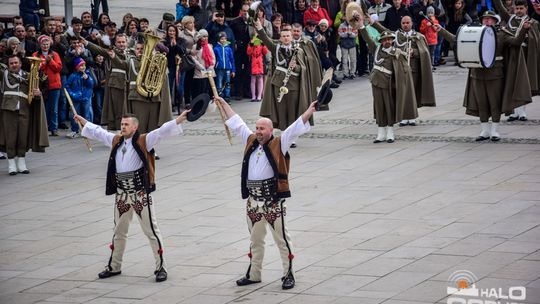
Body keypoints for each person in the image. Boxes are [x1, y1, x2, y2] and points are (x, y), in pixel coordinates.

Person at [73, 107, 190, 283]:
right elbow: (99, 132)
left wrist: (179, 120)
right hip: (121, 194)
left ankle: (161, 267)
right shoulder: (116, 140)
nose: (123, 127)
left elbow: (162, 131)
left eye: (126, 124)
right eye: (122, 124)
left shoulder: (144, 140)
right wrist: (83, 122)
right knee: (118, 232)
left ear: (135, 127)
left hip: (139, 193)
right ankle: (114, 266)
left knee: (151, 230)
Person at [216, 96, 318, 290]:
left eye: (262, 129)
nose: (258, 131)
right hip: (253, 202)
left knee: (282, 240)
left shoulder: (280, 143)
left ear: (271, 130)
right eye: (257, 128)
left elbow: (296, 127)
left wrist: (309, 111)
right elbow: (237, 122)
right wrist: (223, 104)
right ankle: (254, 274)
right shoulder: (251, 140)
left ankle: (289, 274)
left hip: (272, 202)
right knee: (255, 240)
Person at [435, 11, 532, 141]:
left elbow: (515, 42)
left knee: (494, 102)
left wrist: (524, 30)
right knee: (481, 103)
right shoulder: (475, 33)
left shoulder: (501, 34)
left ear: (495, 21)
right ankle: (485, 130)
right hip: (477, 73)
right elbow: (457, 39)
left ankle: (495, 130)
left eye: (490, 19)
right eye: (484, 19)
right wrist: (441, 30)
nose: (486, 21)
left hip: (495, 74)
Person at [356, 13, 418, 143]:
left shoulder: (397, 53)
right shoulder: (376, 49)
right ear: (381, 41)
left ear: (392, 41)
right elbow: (367, 38)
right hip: (377, 82)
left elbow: (404, 69)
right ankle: (381, 131)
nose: (387, 41)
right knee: (379, 107)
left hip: (389, 84)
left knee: (389, 107)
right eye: (384, 40)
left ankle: (390, 131)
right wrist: (361, 25)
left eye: (389, 39)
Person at [255, 20, 322, 139]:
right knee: (280, 111)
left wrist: (295, 66)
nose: (286, 38)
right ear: (280, 38)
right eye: (283, 36)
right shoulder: (276, 48)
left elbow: (303, 68)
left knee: (292, 111)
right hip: (278, 84)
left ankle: (292, 136)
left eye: (288, 36)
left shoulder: (299, 51)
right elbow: (265, 39)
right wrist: (259, 27)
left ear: (291, 37)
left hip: (293, 85)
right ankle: (284, 133)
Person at [371, 15, 436, 126]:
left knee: (412, 93)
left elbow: (425, 53)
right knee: (400, 93)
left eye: (407, 23)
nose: (405, 25)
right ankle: (402, 116)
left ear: (411, 23)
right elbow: (384, 31)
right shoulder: (396, 35)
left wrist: (414, 52)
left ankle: (411, 116)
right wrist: (373, 23)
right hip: (399, 70)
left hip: (413, 70)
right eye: (403, 23)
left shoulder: (418, 36)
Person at [0, 55, 49, 175]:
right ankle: (11, 164)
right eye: (11, 63)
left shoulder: (29, 76)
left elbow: (37, 93)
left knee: (23, 137)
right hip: (8, 111)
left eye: (16, 63)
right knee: (10, 138)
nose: (14, 65)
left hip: (24, 110)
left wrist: (38, 93)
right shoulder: (4, 75)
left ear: (20, 64)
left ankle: (22, 163)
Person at [493, 0, 540, 121]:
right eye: (517, 8)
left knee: (522, 84)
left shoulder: (532, 22)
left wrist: (527, 37)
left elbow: (535, 39)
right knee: (511, 82)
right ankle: (514, 111)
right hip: (511, 55)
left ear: (526, 9)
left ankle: (522, 111)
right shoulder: (510, 19)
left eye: (521, 8)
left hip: (525, 55)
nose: (519, 11)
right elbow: (501, 8)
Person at [83, 34, 130, 130]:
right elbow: (98, 49)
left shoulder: (131, 53)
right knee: (118, 109)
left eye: (123, 42)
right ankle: (119, 130)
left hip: (129, 85)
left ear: (127, 43)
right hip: (116, 85)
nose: (121, 44)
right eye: (119, 42)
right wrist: (87, 43)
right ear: (115, 43)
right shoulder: (111, 52)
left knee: (128, 110)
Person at [124, 42, 173, 134]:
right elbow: (120, 64)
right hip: (138, 98)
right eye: (138, 49)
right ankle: (138, 147)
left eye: (142, 49)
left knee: (152, 131)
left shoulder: (156, 61)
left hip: (154, 98)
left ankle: (149, 148)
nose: (140, 51)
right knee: (139, 130)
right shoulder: (131, 61)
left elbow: (163, 80)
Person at [33, 35, 63, 137]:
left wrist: (51, 61)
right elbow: (37, 69)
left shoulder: (55, 54)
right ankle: (43, 128)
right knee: (43, 107)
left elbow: (58, 68)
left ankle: (54, 128)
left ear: (50, 44)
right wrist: (46, 62)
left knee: (53, 108)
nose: (45, 46)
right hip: (41, 85)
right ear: (40, 45)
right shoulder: (35, 54)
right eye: (43, 44)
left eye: (47, 44)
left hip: (54, 84)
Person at [65, 58, 94, 138]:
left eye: (84, 65)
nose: (83, 67)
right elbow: (67, 86)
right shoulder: (73, 76)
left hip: (86, 97)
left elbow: (91, 85)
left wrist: (87, 79)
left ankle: (88, 131)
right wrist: (72, 94)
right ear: (76, 67)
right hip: (76, 98)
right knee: (74, 114)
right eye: (81, 66)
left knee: (87, 114)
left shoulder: (88, 74)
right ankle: (75, 130)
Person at [192, 29, 215, 98]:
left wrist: (211, 66)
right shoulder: (195, 47)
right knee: (200, 90)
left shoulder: (209, 46)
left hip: (209, 71)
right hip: (200, 72)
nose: (205, 38)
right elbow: (193, 58)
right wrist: (200, 67)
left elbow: (213, 57)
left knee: (207, 89)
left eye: (206, 36)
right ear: (200, 37)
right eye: (203, 36)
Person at [213, 32, 235, 101]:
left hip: (228, 68)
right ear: (219, 40)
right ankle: (220, 96)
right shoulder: (216, 48)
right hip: (219, 68)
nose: (223, 40)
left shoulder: (228, 48)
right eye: (222, 39)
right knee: (219, 83)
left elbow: (232, 59)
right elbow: (214, 59)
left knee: (227, 83)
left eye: (225, 39)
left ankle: (227, 97)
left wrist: (233, 70)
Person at [247, 35, 269, 102]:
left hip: (260, 64)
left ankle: (259, 96)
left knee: (260, 79)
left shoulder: (262, 45)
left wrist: (263, 44)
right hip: (253, 64)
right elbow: (248, 52)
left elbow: (265, 52)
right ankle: (253, 96)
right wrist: (251, 44)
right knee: (253, 80)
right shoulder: (251, 45)